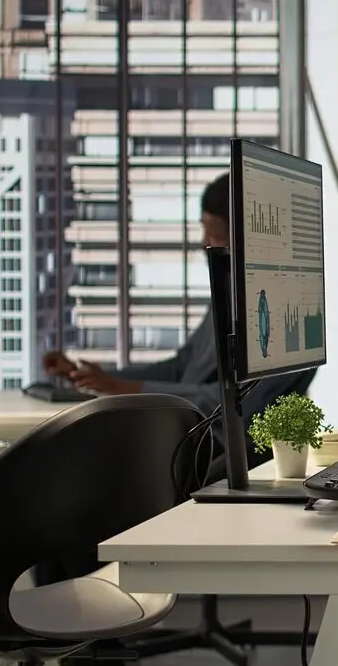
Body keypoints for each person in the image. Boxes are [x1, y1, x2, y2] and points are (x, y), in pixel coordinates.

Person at [41, 173, 316, 460]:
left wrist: (128, 389)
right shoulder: (233, 291)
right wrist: (103, 378)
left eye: (217, 233)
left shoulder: (283, 311)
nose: (205, 242)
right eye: (204, 229)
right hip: (188, 439)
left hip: (214, 454)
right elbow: (183, 366)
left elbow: (235, 402)